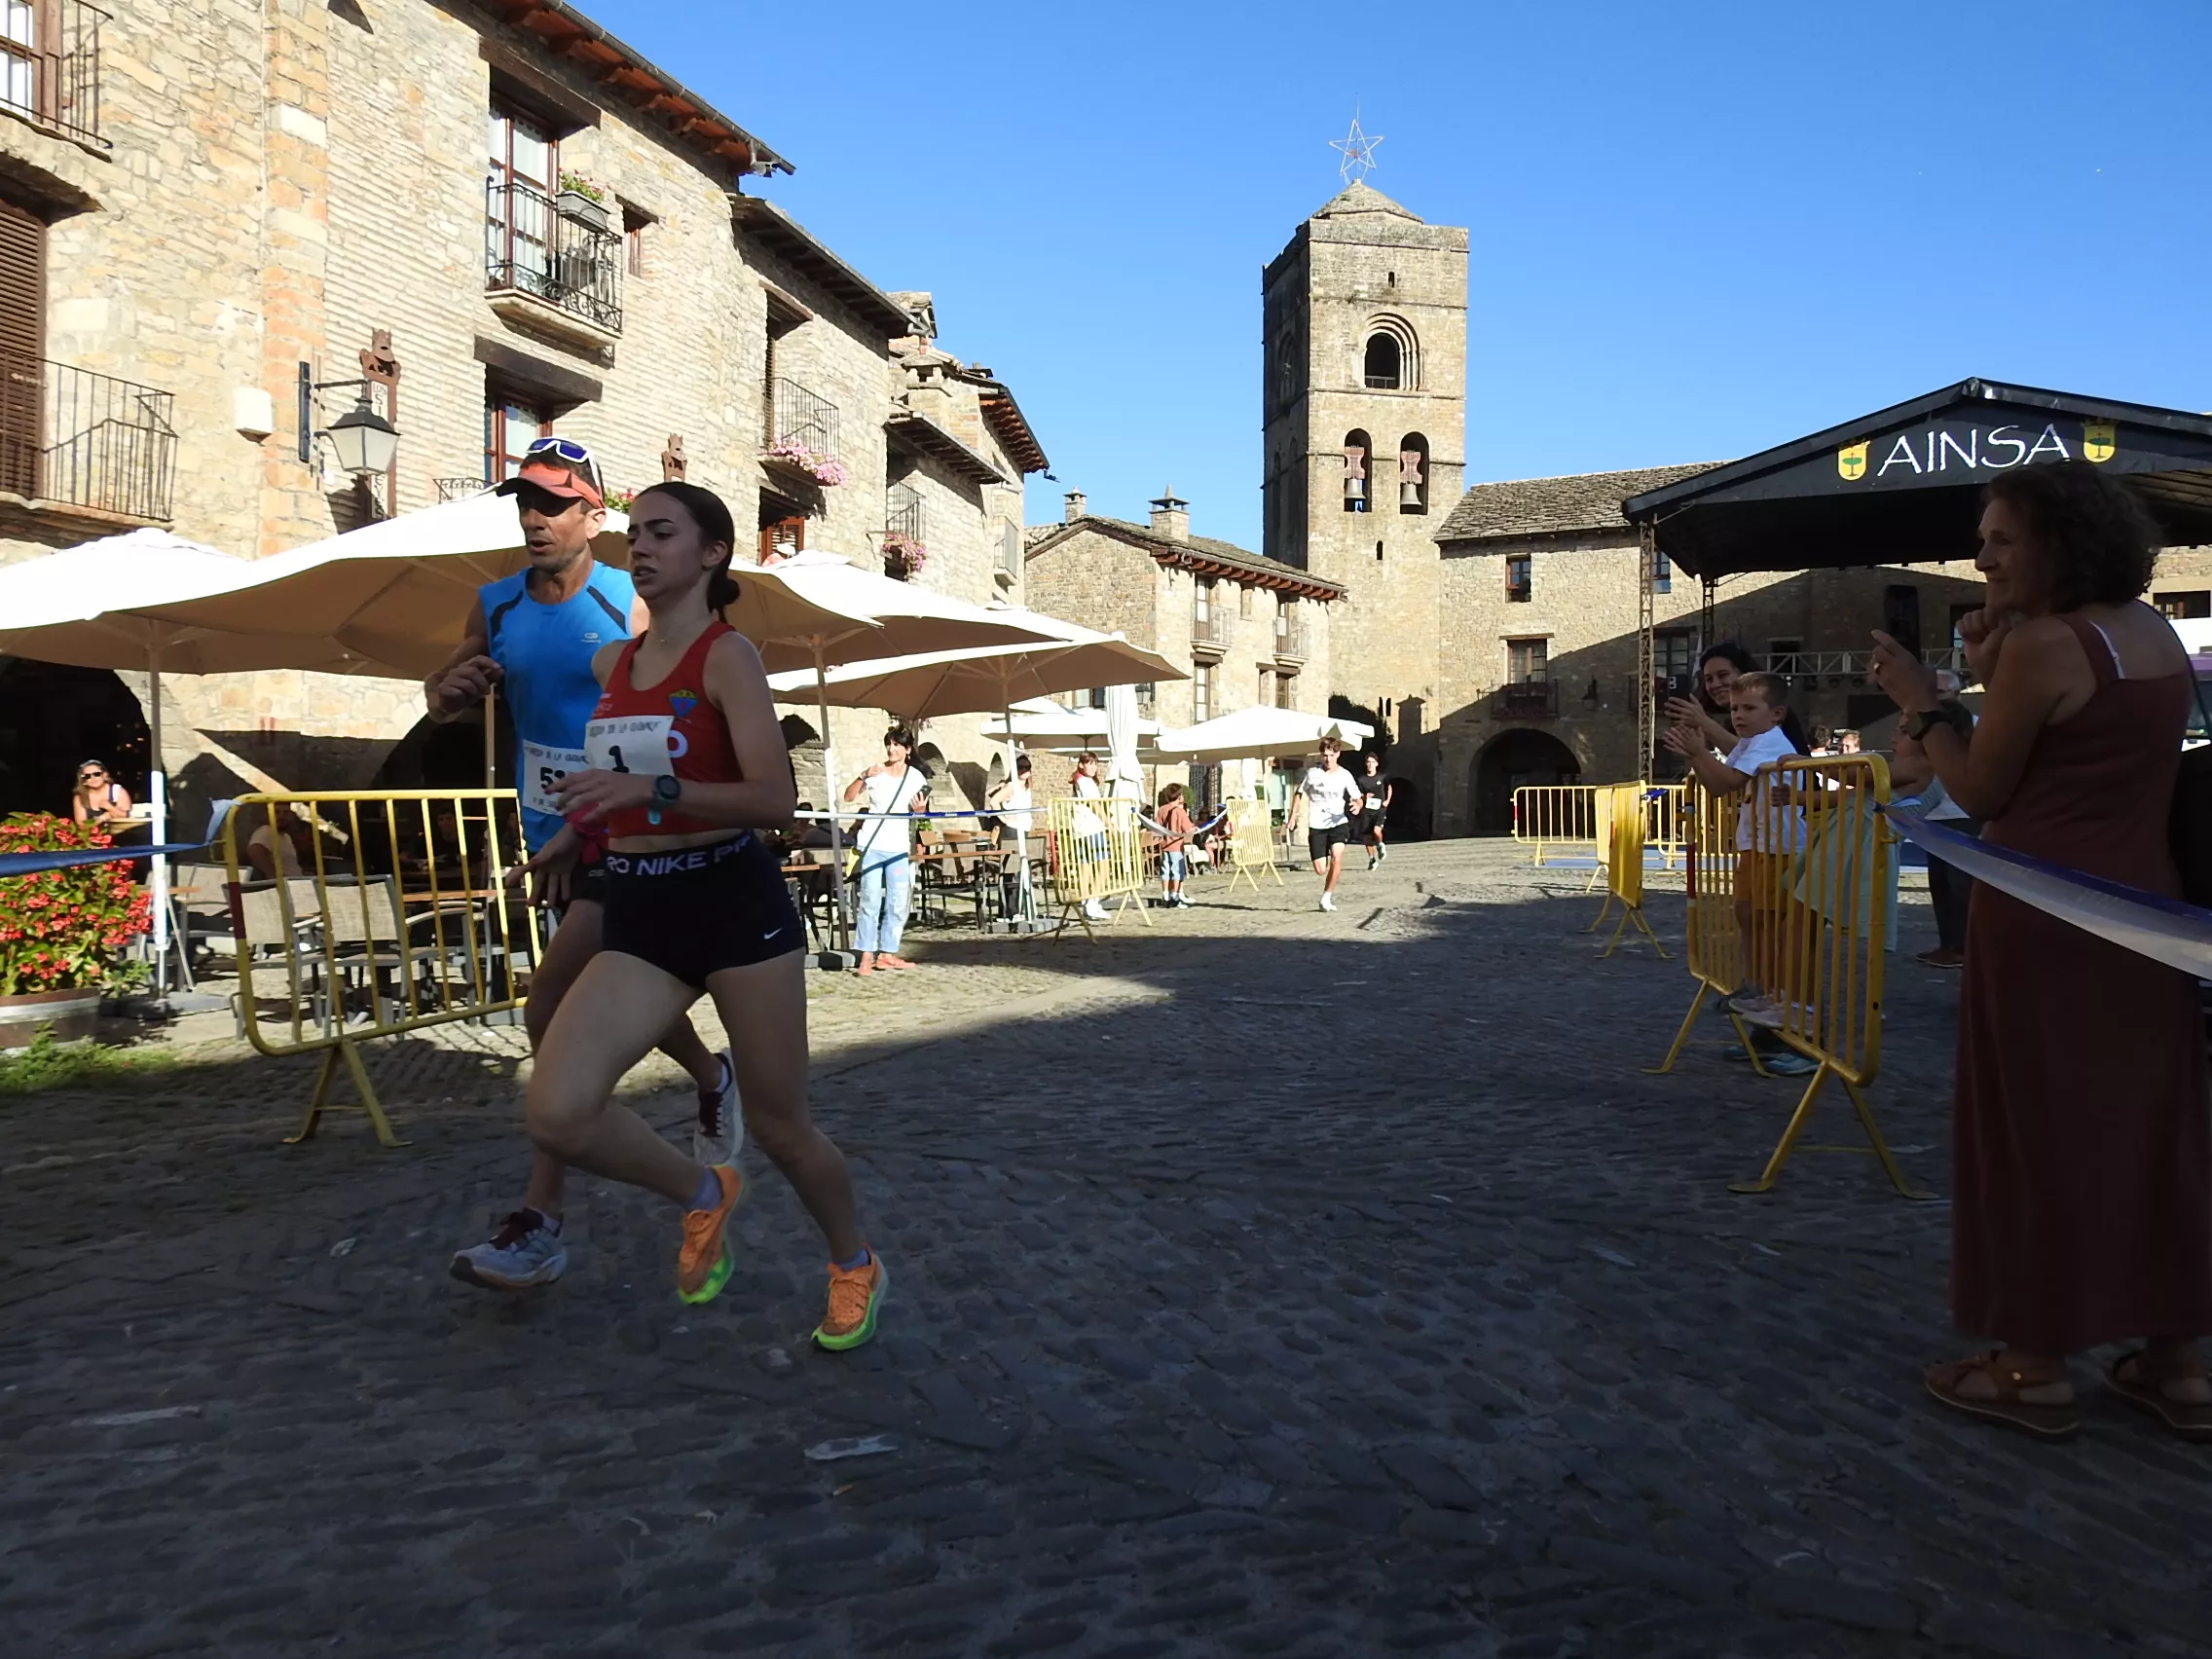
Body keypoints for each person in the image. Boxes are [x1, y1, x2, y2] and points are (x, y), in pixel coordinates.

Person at [1871, 461, 2209, 1441]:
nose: (1981, 556)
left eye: (2001, 539)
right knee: (2151, 1129)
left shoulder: (2046, 647)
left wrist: (1922, 697)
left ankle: (2030, 1364)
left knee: (2032, 1131)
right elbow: (2089, 749)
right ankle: (2178, 1363)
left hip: (2041, 912)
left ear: (2058, 541)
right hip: (2145, 911)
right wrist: (1992, 654)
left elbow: (1981, 790)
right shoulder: (2145, 634)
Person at [518, 480, 886, 1345]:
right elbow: (614, 777)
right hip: (640, 907)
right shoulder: (613, 663)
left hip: (730, 902)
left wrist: (650, 787)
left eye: (662, 533)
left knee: (782, 1127)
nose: (639, 548)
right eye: (634, 535)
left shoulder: (730, 657)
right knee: (558, 1112)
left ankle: (852, 1261)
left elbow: (773, 797)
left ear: (712, 552)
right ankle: (701, 1190)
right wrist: (582, 828)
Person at [430, 439, 733, 1293]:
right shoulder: (493, 606)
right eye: (524, 502)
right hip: (546, 827)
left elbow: (673, 702)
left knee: (552, 1011)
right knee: (589, 991)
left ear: (595, 517)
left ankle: (545, 1217)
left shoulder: (624, 597)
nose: (534, 518)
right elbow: (439, 692)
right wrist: (450, 695)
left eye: (555, 504)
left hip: (622, 828)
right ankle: (711, 1076)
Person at [1663, 671, 1803, 1028]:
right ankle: (1762, 989)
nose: (1738, 715)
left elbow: (1724, 782)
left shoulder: (1771, 742)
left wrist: (1697, 750)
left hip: (1779, 849)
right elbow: (1716, 784)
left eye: (1749, 708)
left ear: (1776, 714)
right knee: (1749, 915)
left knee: (1771, 922)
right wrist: (1696, 753)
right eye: (1736, 708)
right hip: (1757, 846)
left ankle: (1782, 998)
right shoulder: (1751, 743)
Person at [842, 726, 929, 976]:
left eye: (896, 745)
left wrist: (920, 813)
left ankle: (887, 953)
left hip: (898, 847)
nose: (891, 749)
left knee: (898, 901)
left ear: (907, 750)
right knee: (869, 900)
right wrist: (862, 775)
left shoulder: (916, 778)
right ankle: (866, 956)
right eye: (889, 744)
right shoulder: (876, 772)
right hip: (872, 844)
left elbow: (918, 814)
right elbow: (848, 797)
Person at [1664, 643, 1811, 756]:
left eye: (1723, 675)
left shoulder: (1769, 707)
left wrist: (1703, 723)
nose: (1715, 684)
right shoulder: (1728, 719)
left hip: (1796, 793)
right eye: (1708, 679)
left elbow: (1753, 755)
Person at [1286, 737, 1364, 911]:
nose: (1327, 759)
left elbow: (1358, 798)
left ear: (1338, 754)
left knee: (1337, 857)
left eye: (1331, 755)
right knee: (1321, 869)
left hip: (1338, 822)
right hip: (1317, 825)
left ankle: (1326, 897)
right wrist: (1293, 816)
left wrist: (1357, 805)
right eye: (1324, 755)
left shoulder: (1345, 775)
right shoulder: (1313, 774)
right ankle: (1326, 869)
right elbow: (1298, 794)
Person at [985, 753, 1035, 915]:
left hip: (1023, 830)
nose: (1023, 770)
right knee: (1010, 871)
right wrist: (1003, 818)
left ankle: (1019, 906)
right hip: (1012, 830)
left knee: (1020, 870)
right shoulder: (1011, 786)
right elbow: (993, 801)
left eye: (1026, 767)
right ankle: (1009, 909)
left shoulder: (1026, 788)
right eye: (1020, 767)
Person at [1069, 751, 1111, 923]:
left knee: (1086, 866)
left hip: (1079, 829)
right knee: (1103, 866)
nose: (1093, 767)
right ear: (1081, 764)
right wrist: (1108, 821)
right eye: (1090, 763)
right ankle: (1092, 902)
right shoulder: (1085, 782)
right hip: (1091, 828)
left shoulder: (1080, 781)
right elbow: (1094, 804)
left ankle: (1088, 901)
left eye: (1095, 763)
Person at [1153, 782, 1196, 907]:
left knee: (1165, 870)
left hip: (1165, 845)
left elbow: (1157, 827)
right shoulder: (1180, 811)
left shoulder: (1161, 809)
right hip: (1176, 846)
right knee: (1177, 871)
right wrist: (1195, 829)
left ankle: (1165, 893)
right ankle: (1175, 896)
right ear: (1179, 796)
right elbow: (1187, 828)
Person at [1355, 752, 1392, 870]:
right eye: (1368, 762)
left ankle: (1380, 845)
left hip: (1379, 809)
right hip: (1367, 810)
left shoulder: (1382, 777)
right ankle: (1372, 859)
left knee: (1377, 831)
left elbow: (1389, 788)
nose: (1370, 764)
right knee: (1367, 837)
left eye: (1372, 762)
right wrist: (1365, 796)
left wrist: (1387, 801)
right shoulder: (1361, 779)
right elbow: (1357, 794)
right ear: (1366, 764)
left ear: (1376, 764)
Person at [70, 760, 131, 827]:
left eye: (97, 774)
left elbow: (128, 817)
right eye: (87, 776)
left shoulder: (117, 791)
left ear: (105, 775)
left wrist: (109, 808)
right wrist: (102, 818)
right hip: (93, 836)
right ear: (84, 781)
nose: (93, 778)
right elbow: (81, 825)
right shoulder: (80, 797)